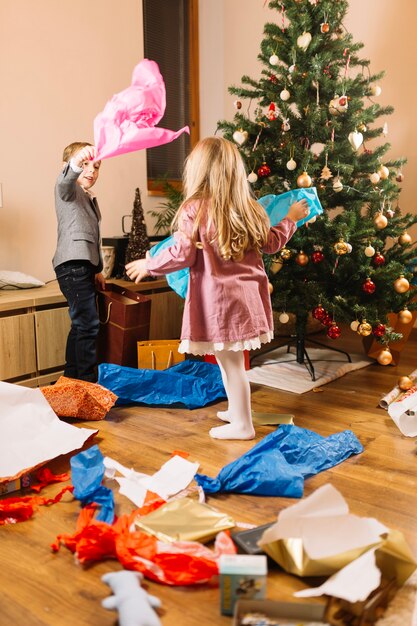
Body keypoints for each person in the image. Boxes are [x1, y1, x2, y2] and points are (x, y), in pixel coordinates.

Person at [126, 136, 309, 440]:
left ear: (198, 170)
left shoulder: (194, 210)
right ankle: (237, 412)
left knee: (232, 363)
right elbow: (273, 243)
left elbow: (183, 254)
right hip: (247, 298)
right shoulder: (250, 209)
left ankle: (243, 424)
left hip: (220, 302)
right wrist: (290, 219)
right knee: (229, 360)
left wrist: (149, 265)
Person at [52, 142, 105, 382]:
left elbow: (93, 236)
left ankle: (70, 380)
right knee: (89, 324)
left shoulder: (89, 197)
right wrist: (75, 163)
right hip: (72, 265)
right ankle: (86, 383)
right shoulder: (67, 188)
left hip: (82, 265)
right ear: (69, 166)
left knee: (81, 324)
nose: (91, 170)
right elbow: (64, 181)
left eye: (96, 165)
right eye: (85, 165)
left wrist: (97, 270)